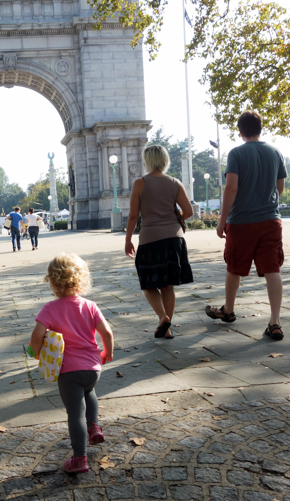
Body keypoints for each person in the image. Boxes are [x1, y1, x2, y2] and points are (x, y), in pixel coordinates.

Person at [206, 109, 287, 340]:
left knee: (234, 267)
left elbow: (231, 188)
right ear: (260, 129)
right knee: (273, 269)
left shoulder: (236, 154)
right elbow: (279, 187)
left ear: (240, 132)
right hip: (270, 220)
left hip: (241, 221)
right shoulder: (276, 152)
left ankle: (228, 310)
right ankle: (275, 322)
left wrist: (222, 220)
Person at [29, 253, 114, 474]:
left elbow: (36, 337)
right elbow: (107, 332)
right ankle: (94, 426)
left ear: (53, 283)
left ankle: (79, 459)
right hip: (93, 367)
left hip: (69, 372)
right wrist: (108, 352)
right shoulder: (90, 305)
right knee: (90, 392)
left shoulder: (50, 308)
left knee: (75, 413)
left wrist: (37, 353)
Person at [125, 144, 194, 338]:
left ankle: (163, 318)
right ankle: (168, 329)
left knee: (148, 284)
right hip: (174, 239)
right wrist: (177, 219)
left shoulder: (140, 183)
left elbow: (133, 216)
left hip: (150, 239)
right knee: (168, 286)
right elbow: (189, 212)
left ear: (147, 161)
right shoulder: (175, 183)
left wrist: (128, 239)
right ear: (165, 160)